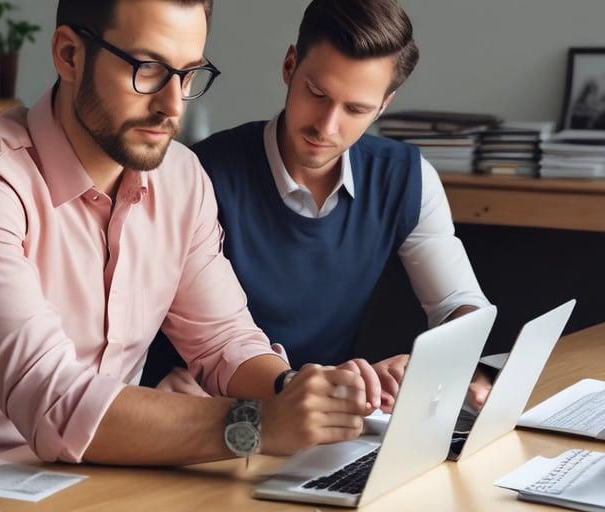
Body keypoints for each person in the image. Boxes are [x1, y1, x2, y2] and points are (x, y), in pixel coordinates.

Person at [0, 0, 383, 501]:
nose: (171, 105)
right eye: (147, 68)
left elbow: (223, 341)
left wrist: (297, 392)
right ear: (69, 55)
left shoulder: (181, 178)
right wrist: (257, 426)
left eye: (187, 74)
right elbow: (55, 399)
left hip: (93, 478)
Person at [145, 0, 492, 411]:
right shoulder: (197, 174)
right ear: (290, 66)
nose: (326, 126)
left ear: (384, 104)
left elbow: (458, 304)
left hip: (321, 421)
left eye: (356, 108)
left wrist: (441, 363)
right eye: (317, 93)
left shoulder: (407, 178)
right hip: (202, 409)